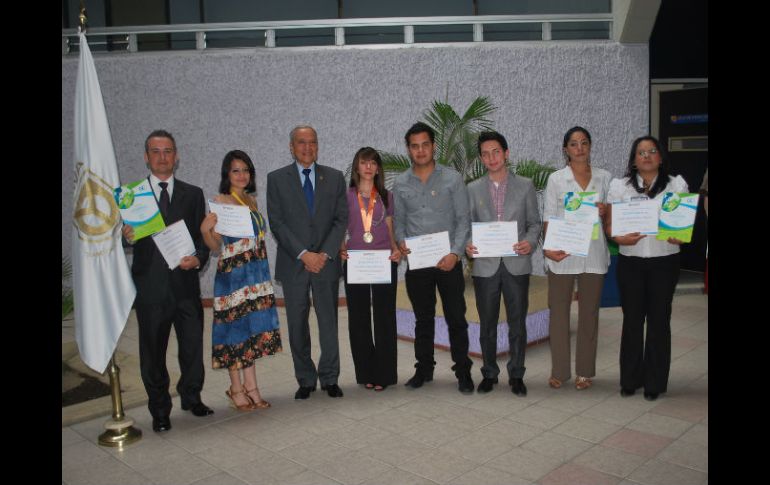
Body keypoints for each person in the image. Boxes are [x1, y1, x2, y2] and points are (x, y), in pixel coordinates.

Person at [122, 129, 212, 433]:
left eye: (168, 151)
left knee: (191, 347)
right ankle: (160, 409)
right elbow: (119, 241)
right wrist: (124, 236)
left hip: (185, 286)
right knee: (153, 353)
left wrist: (198, 258)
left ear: (176, 156)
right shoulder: (132, 196)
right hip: (151, 290)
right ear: (147, 157)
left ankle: (191, 396)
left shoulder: (193, 193)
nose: (163, 157)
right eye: (156, 151)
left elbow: (202, 240)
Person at [266, 125, 348, 400]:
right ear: (291, 147)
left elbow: (340, 220)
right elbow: (277, 223)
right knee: (297, 325)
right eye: (301, 143)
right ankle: (305, 378)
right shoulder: (276, 179)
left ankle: (330, 377)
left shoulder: (335, 178)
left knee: (328, 323)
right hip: (294, 263)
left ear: (318, 146)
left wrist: (323, 254)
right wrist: (304, 254)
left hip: (325, 263)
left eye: (312, 142)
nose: (307, 147)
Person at [393, 121, 474, 394]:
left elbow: (464, 221)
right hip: (417, 264)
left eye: (425, 144)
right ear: (408, 150)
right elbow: (400, 224)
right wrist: (401, 241)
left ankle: (463, 370)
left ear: (433, 146)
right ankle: (423, 369)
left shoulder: (452, 179)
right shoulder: (401, 182)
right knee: (423, 320)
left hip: (448, 262)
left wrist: (455, 253)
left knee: (456, 318)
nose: (420, 150)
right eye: (414, 146)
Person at [606, 136, 689, 401]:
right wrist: (617, 238)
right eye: (641, 152)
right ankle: (630, 379)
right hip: (631, 262)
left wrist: (681, 235)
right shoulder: (620, 187)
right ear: (633, 160)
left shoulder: (677, 184)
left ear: (661, 157)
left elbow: (684, 225)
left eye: (652, 151)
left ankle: (655, 382)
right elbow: (609, 226)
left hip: (665, 261)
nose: (647, 156)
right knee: (632, 321)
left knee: (659, 321)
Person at [200, 150, 282, 411]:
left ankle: (252, 386)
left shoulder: (250, 201)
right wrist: (205, 230)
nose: (242, 175)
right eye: (236, 170)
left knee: (252, 331)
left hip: (256, 274)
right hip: (233, 277)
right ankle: (237, 387)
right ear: (227, 174)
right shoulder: (220, 201)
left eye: (246, 170)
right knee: (234, 331)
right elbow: (215, 246)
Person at [465, 131, 542, 396]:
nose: (491, 158)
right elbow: (466, 226)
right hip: (485, 265)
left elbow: (534, 224)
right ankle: (489, 373)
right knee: (487, 323)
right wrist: (467, 244)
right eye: (485, 154)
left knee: (517, 323)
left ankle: (517, 374)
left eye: (496, 151)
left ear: (506, 153)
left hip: (516, 264)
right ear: (481, 158)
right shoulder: (472, 188)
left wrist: (530, 243)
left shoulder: (525, 185)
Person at [542, 126, 611, 391]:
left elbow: (612, 220)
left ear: (590, 146)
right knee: (558, 314)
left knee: (589, 314)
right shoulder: (557, 179)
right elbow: (548, 216)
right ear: (565, 149)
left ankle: (584, 372)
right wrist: (549, 248)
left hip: (593, 253)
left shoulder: (605, 178)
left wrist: (606, 212)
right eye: (573, 144)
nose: (579, 148)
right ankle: (559, 371)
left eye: (584, 143)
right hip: (563, 253)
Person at [339, 147, 401, 391]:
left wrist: (395, 248)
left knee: (385, 318)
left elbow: (389, 226)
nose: (368, 167)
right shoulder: (346, 195)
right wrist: (340, 247)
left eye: (373, 163)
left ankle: (384, 374)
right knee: (359, 318)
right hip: (356, 262)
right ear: (357, 166)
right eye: (364, 163)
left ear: (378, 168)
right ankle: (366, 371)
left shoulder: (387, 196)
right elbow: (341, 226)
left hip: (383, 261)